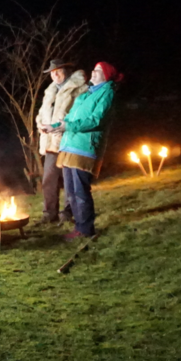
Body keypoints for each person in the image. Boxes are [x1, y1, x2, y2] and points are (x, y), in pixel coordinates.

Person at [44, 61, 123, 240]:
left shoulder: (106, 93)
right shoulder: (86, 94)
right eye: (93, 70)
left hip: (84, 147)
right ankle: (79, 227)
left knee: (80, 191)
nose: (92, 73)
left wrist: (68, 126)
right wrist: (54, 126)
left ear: (106, 76)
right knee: (71, 192)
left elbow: (96, 120)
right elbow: (70, 117)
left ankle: (86, 229)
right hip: (69, 145)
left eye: (97, 71)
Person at [35, 59, 89, 225]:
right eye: (52, 72)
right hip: (50, 142)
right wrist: (40, 125)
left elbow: (80, 114)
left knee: (69, 180)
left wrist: (59, 126)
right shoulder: (50, 91)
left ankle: (67, 213)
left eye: (58, 71)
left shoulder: (78, 89)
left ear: (66, 71)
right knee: (49, 179)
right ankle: (49, 213)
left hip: (68, 140)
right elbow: (41, 113)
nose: (54, 74)